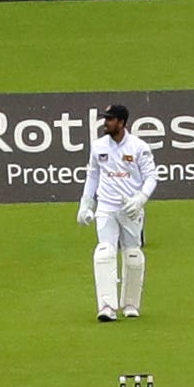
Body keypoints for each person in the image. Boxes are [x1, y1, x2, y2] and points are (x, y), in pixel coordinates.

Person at [79, 102, 159, 322]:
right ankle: (106, 306)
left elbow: (152, 177)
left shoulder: (138, 147)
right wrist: (86, 204)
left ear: (121, 123)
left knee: (132, 254)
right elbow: (92, 175)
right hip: (106, 206)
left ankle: (131, 304)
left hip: (130, 209)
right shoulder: (98, 146)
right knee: (104, 251)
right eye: (106, 119)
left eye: (110, 119)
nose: (106, 123)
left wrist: (140, 200)